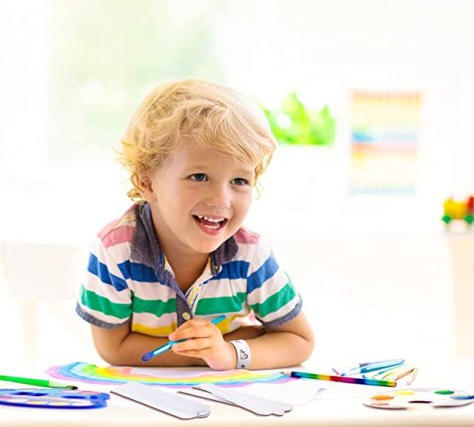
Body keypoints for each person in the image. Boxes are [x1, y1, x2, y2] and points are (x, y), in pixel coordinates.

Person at [76, 78, 314, 370]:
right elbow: (113, 348)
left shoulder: (249, 254)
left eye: (239, 180)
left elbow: (298, 340)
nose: (221, 198)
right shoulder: (115, 250)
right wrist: (213, 350)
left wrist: (229, 353)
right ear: (147, 182)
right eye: (199, 176)